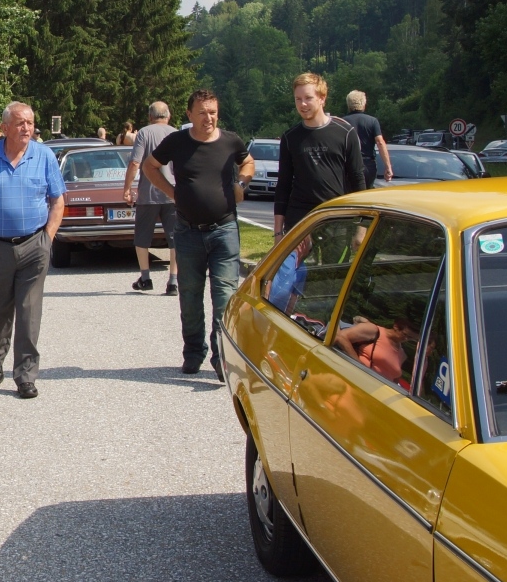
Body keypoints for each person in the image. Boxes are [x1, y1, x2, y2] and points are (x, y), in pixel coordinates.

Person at [0, 101, 65, 399]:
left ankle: (25, 375)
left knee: (29, 312)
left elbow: (58, 200)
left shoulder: (44, 155)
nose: (26, 128)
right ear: (4, 128)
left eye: (30, 122)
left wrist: (47, 239)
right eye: (20, 123)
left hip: (34, 246)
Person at [144, 89, 253, 377]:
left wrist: (242, 183)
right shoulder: (177, 142)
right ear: (189, 114)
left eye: (213, 112)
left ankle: (221, 357)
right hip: (188, 232)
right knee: (190, 297)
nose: (209, 118)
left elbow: (248, 161)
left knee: (225, 297)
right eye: (202, 112)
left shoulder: (230, 141)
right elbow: (150, 166)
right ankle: (193, 352)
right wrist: (172, 193)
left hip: (224, 230)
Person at [274, 73, 366, 234]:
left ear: (322, 98)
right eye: (298, 99)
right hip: (299, 218)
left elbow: (357, 179)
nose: (303, 104)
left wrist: (361, 228)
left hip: (336, 217)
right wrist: (277, 231)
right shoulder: (290, 137)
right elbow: (283, 184)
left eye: (308, 98)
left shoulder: (345, 133)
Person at [123, 101, 181, 295]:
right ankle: (173, 281)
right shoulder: (176, 134)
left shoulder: (144, 133)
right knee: (175, 238)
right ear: (168, 115)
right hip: (173, 194)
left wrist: (127, 188)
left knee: (142, 236)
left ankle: (145, 277)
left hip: (148, 193)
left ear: (150, 116)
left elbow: (135, 163)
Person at [344, 90, 393, 188]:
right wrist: (388, 167)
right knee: (367, 192)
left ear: (348, 104)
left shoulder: (342, 122)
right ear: (364, 104)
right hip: (367, 163)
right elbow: (380, 143)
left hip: (349, 164)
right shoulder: (372, 121)